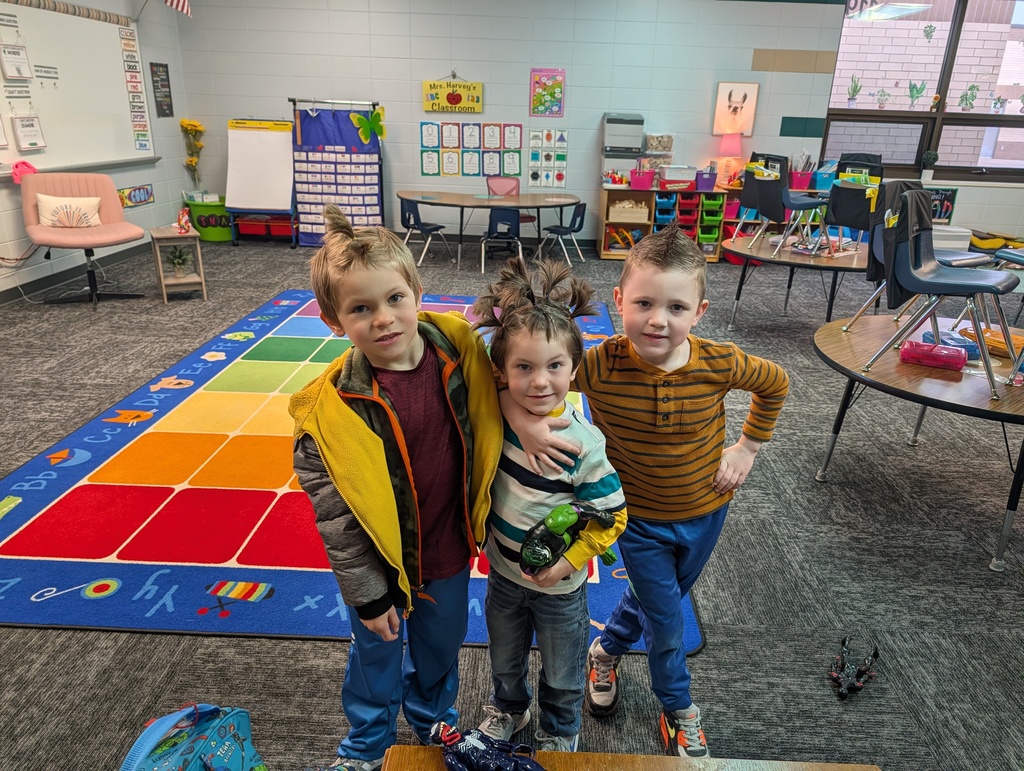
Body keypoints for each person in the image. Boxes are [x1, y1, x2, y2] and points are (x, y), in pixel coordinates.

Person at [504, 221, 789, 759]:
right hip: (636, 521)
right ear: (619, 300)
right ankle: (679, 708)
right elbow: (514, 376)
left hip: (708, 511)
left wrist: (747, 448)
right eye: (644, 304)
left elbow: (775, 383)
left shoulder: (719, 361)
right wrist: (524, 423)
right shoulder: (598, 364)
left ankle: (606, 648)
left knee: (667, 596)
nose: (658, 320)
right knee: (667, 620)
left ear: (700, 312)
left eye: (677, 308)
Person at [289, 205, 503, 771]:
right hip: (380, 563)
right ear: (333, 320)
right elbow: (336, 519)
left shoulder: (462, 354)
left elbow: (528, 382)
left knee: (440, 646)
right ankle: (366, 744)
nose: (383, 319)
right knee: (375, 652)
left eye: (393, 299)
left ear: (417, 291)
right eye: (361, 308)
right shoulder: (328, 414)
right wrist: (368, 593)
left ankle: (432, 720)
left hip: (450, 549)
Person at [471, 258, 627, 754]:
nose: (540, 382)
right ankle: (509, 711)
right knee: (504, 659)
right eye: (524, 367)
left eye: (555, 366)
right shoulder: (495, 415)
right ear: (501, 373)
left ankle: (560, 731)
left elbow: (613, 516)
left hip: (561, 587)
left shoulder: (582, 444)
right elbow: (471, 347)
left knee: (562, 670)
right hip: (502, 576)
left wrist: (566, 563)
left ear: (574, 369)